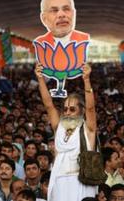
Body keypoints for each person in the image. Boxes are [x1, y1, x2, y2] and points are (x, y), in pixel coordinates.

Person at [36, 62, 97, 200]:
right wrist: (40, 79)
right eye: (65, 109)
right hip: (60, 179)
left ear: (81, 110)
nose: (68, 112)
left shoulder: (88, 129)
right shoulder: (59, 127)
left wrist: (86, 80)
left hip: (81, 180)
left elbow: (91, 108)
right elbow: (49, 105)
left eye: (72, 109)